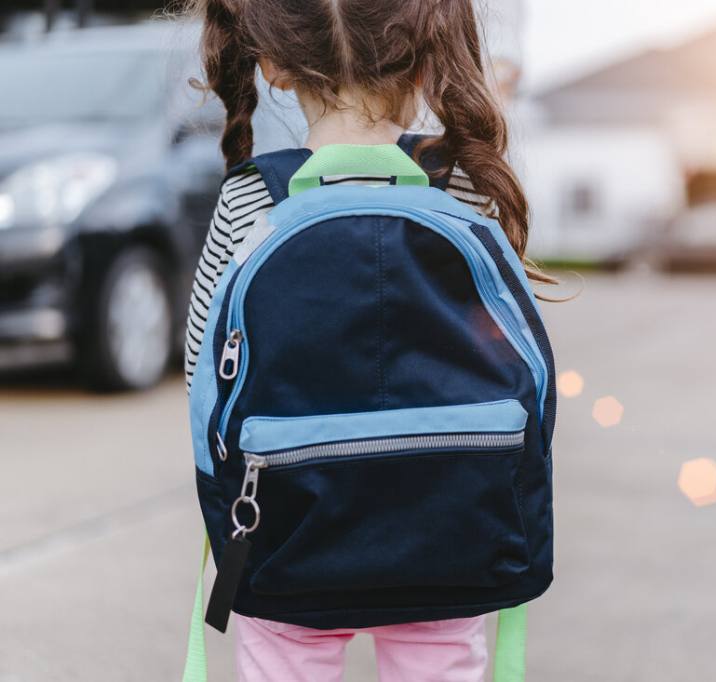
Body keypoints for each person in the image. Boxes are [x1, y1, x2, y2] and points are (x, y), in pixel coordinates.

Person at [182, 1, 552, 680]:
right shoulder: (464, 186)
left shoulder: (249, 200)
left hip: (285, 533)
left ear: (274, 66)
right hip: (452, 538)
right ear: (428, 59)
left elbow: (201, 381)